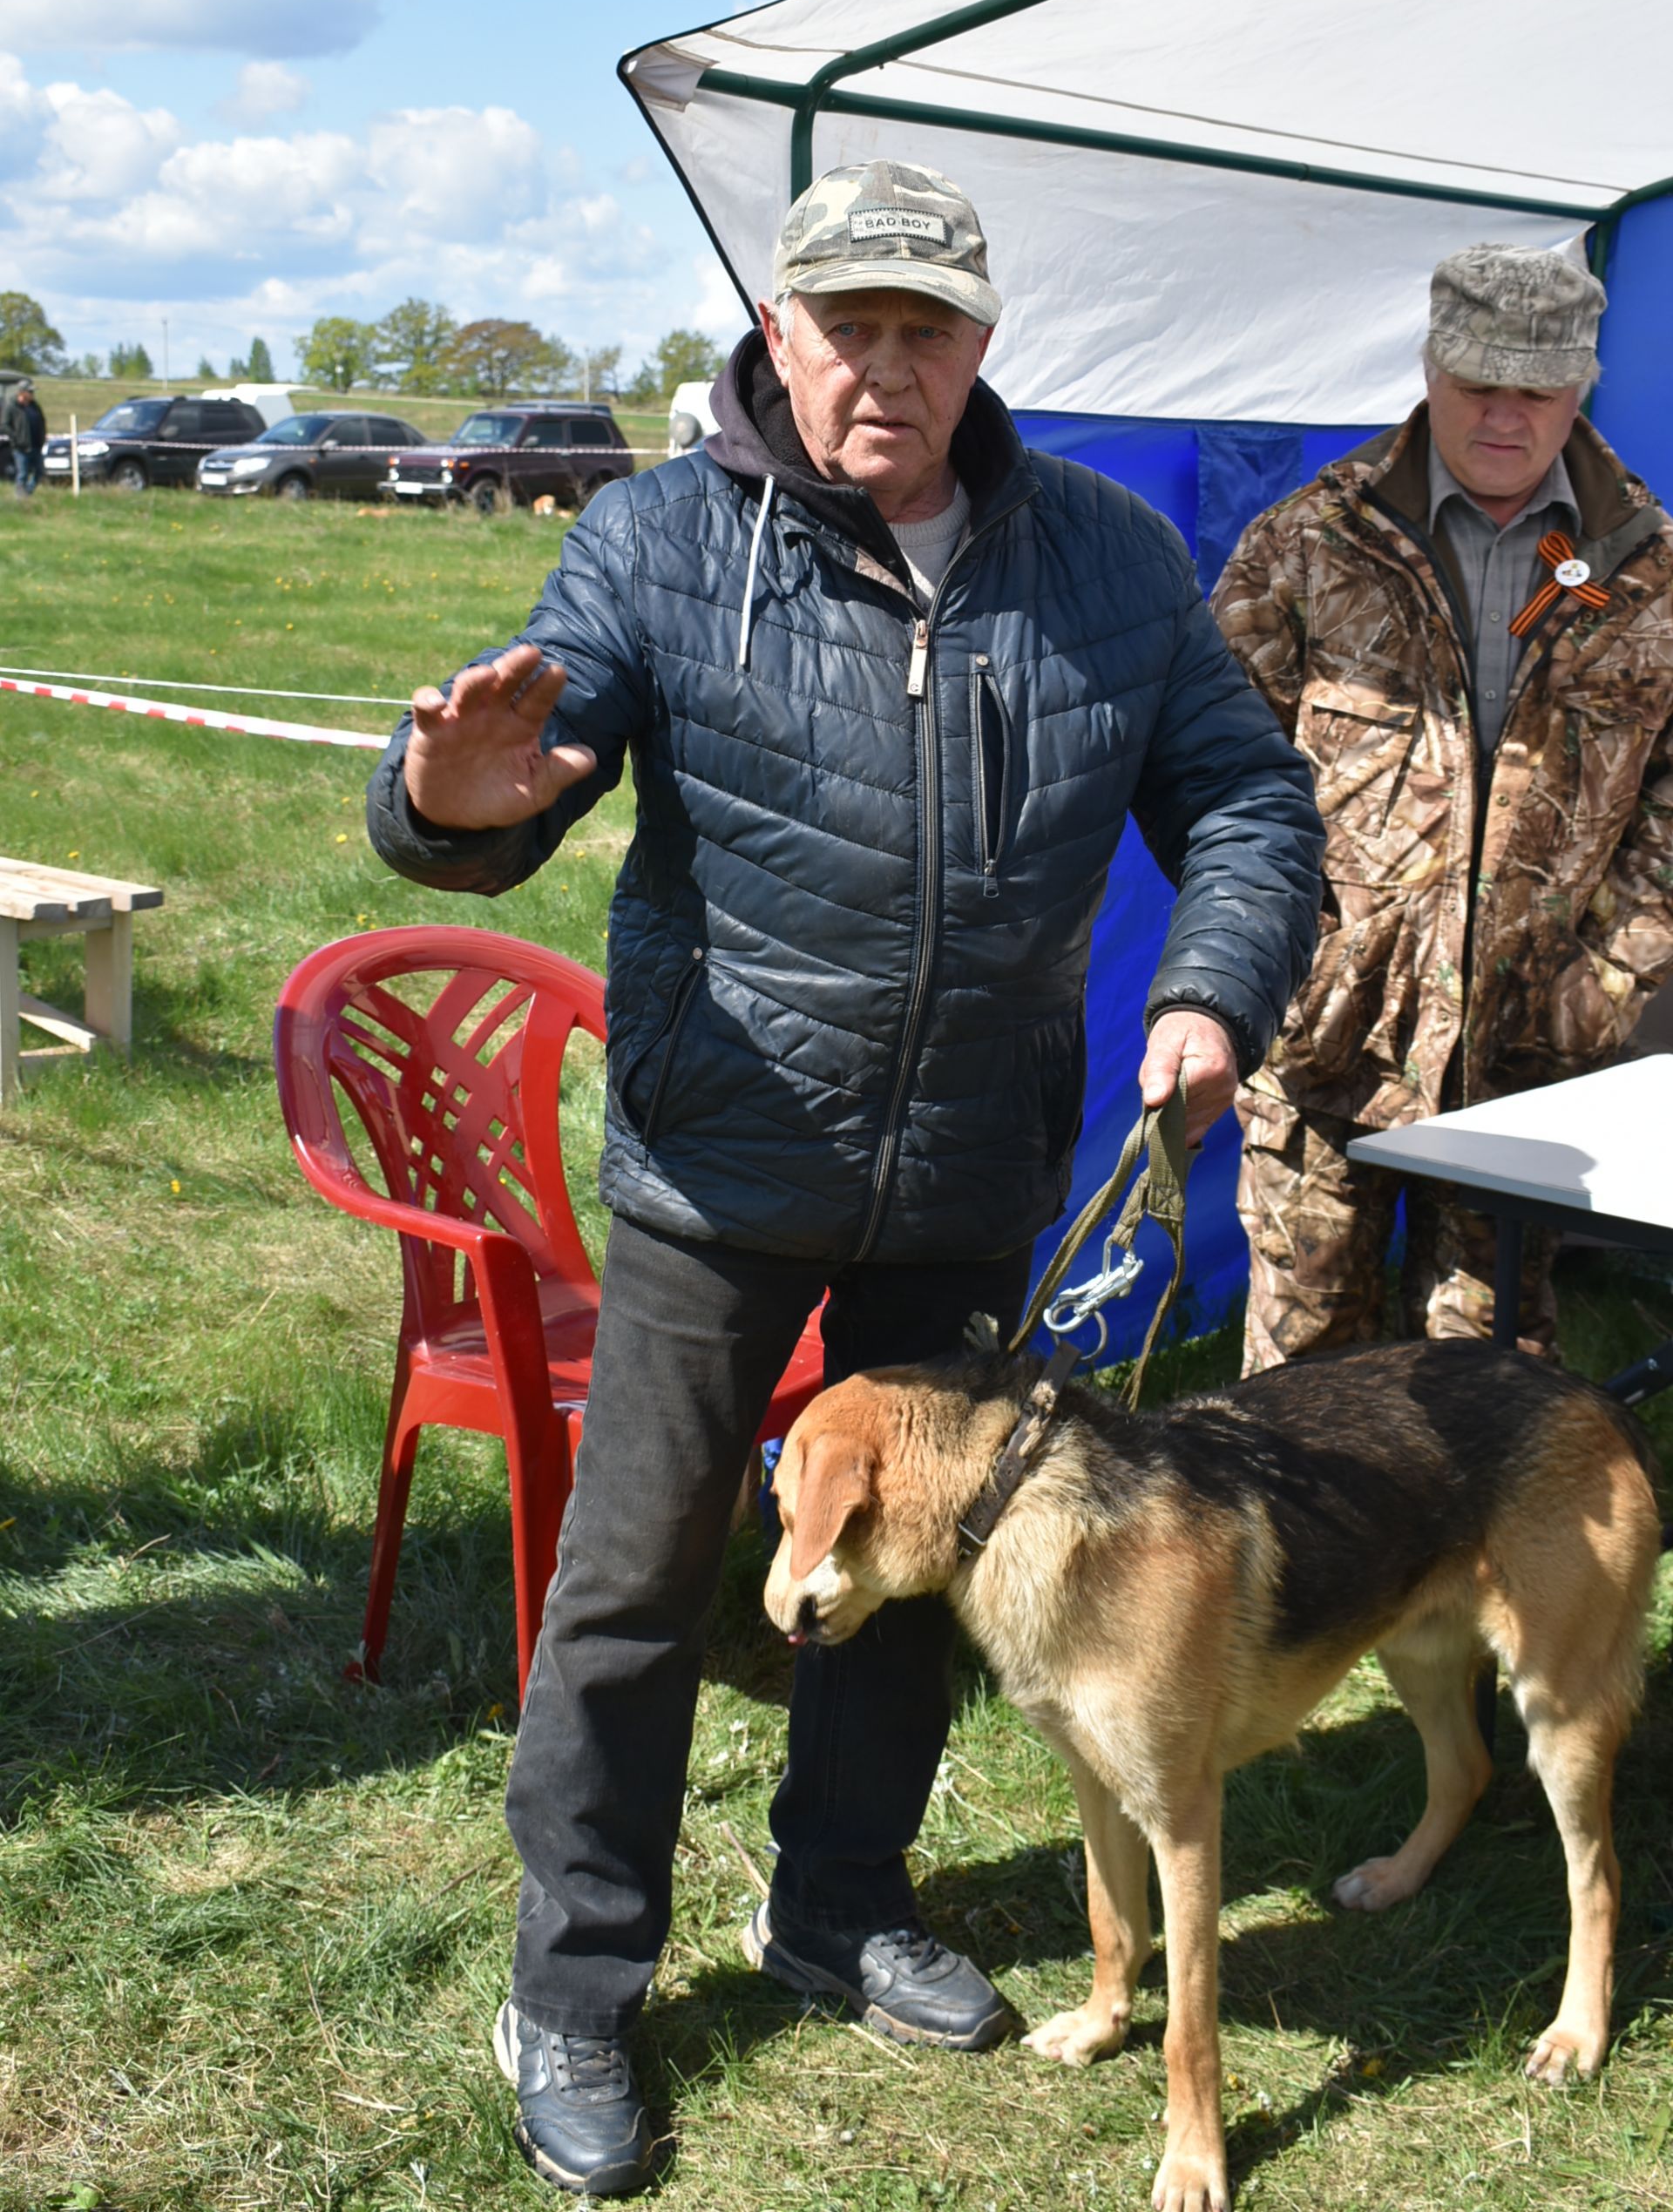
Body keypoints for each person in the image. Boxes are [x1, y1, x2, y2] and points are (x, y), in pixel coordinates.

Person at [367, 158, 1323, 2197]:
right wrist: (449, 803)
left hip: (974, 1177)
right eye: (849, 326)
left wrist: (1213, 984)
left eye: (929, 328)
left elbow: (1248, 795)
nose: (887, 366)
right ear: (777, 331)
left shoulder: (1106, 559)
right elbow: (519, 771)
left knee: (916, 1579)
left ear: (984, 345)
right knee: (635, 1580)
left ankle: (838, 1904)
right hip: (724, 1169)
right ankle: (578, 1975)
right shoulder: (653, 543)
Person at [1212, 241, 1673, 1373]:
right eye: (1477, 385)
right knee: (1303, 1391)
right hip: (1324, 1045)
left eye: (1537, 390)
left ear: (1582, 388)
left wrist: (1614, 969)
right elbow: (1215, 771)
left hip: (1523, 1060)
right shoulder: (1309, 542)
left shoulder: (1650, 570)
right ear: (1428, 368)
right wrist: (1290, 949)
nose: (1504, 419)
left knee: (1492, 1390)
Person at [5, 381, 45, 496]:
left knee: (39, 472)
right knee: (23, 473)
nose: (32, 394)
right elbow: (4, 425)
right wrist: (15, 438)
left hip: (36, 446)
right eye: (30, 391)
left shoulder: (35, 407)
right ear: (22, 393)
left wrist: (42, 437)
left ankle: (27, 492)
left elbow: (42, 422)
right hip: (21, 447)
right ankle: (20, 498)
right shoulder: (12, 407)